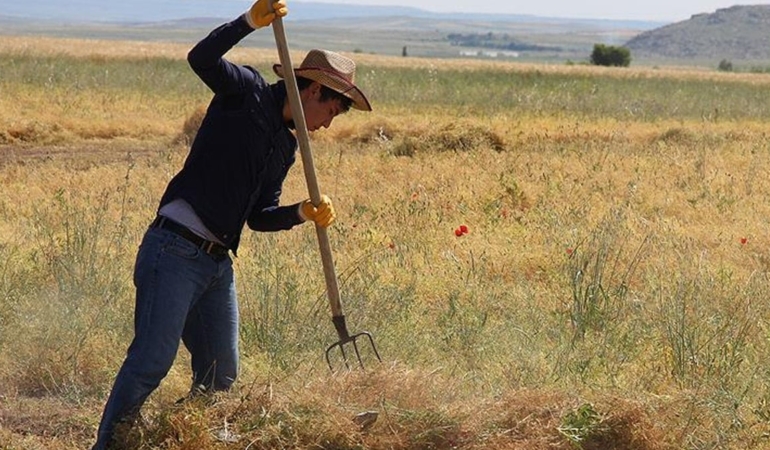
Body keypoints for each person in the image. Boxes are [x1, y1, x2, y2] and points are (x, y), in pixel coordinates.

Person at [91, 0, 372, 447]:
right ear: (315, 91)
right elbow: (200, 59)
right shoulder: (247, 92)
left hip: (217, 265)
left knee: (221, 376)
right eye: (333, 112)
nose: (327, 125)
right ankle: (108, 444)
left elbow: (259, 217)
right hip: (175, 249)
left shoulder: (286, 147)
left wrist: (300, 213)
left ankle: (171, 438)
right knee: (151, 361)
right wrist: (245, 23)